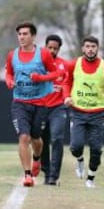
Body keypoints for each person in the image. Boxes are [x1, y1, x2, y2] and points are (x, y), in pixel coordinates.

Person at [5, 22, 63, 187]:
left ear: (33, 36)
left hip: (40, 103)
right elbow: (9, 72)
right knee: (24, 137)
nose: (21, 37)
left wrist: (40, 78)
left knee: (36, 139)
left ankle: (36, 159)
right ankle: (28, 174)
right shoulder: (12, 55)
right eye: (19, 34)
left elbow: (56, 73)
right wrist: (9, 81)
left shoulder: (43, 54)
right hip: (19, 103)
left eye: (25, 34)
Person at [64, 35, 104, 188]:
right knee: (76, 146)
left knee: (96, 148)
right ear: (83, 48)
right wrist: (67, 96)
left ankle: (90, 179)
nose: (90, 49)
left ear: (97, 48)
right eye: (87, 46)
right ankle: (80, 160)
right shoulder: (73, 64)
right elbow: (66, 82)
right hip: (78, 112)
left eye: (93, 47)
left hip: (97, 114)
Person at [40, 34, 69, 186]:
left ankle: (53, 176)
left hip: (58, 108)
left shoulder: (64, 65)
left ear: (59, 49)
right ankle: (45, 170)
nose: (52, 50)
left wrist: (67, 97)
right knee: (41, 141)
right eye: (49, 47)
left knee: (57, 139)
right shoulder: (37, 64)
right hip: (40, 107)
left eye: (55, 48)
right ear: (45, 47)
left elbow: (67, 85)